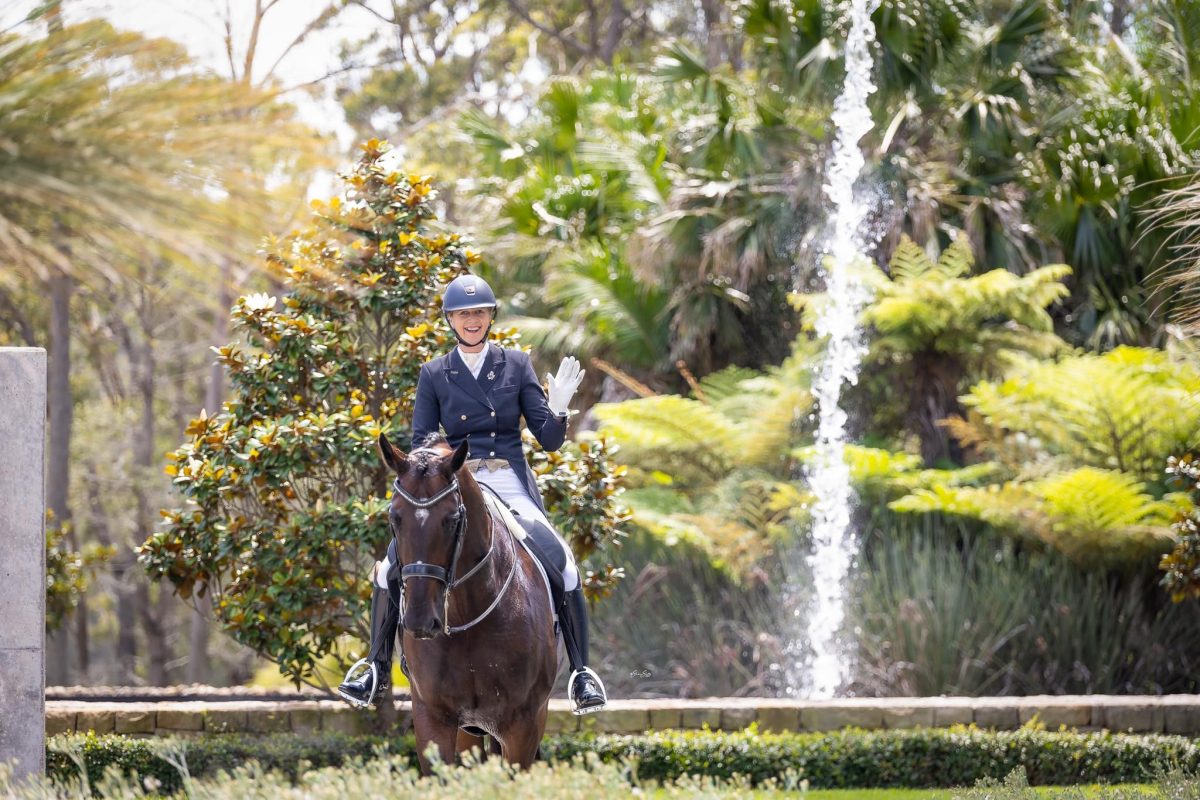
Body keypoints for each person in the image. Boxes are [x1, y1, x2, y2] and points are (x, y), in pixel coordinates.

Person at [338, 273, 608, 715]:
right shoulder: (434, 373)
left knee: (562, 560)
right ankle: (373, 667)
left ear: (490, 317)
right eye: (463, 314)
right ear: (450, 320)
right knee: (389, 567)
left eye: (479, 313)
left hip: (505, 479)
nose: (472, 320)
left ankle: (581, 673)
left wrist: (557, 409)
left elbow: (549, 439)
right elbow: (422, 441)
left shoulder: (517, 365)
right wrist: (444, 465)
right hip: (454, 479)